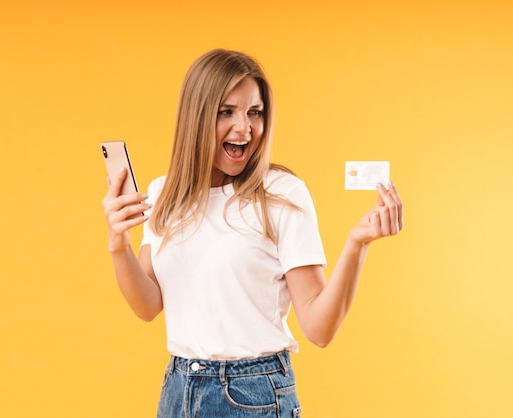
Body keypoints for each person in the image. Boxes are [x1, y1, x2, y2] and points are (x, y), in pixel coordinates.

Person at [102, 48, 404, 417]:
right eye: (226, 111)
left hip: (253, 394)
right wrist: (119, 245)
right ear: (196, 117)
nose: (245, 128)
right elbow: (147, 305)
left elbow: (319, 329)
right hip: (178, 388)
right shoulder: (165, 192)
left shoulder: (281, 193)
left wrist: (357, 244)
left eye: (255, 113)